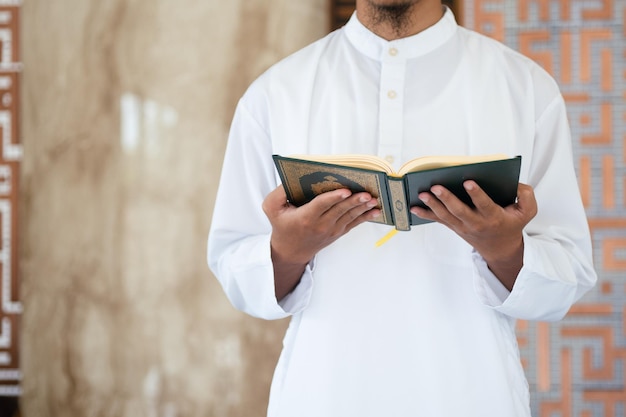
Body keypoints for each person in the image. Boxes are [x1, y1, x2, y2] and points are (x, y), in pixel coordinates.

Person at [207, 1, 598, 416]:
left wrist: (505, 251)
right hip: (322, 393)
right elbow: (235, 268)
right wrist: (288, 252)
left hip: (472, 394)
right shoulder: (276, 94)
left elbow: (567, 275)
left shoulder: (525, 90)